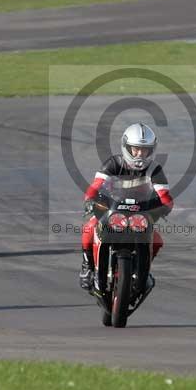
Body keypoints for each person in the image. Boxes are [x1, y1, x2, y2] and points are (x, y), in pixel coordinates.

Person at [79, 123, 173, 291]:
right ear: (126, 147)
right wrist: (90, 198)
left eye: (144, 150)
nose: (139, 154)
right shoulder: (114, 163)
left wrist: (165, 205)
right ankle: (87, 267)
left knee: (157, 240)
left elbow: (164, 195)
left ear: (151, 150)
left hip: (141, 212)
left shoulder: (154, 169)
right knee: (89, 228)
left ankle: (142, 270)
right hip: (112, 209)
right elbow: (96, 185)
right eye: (135, 149)